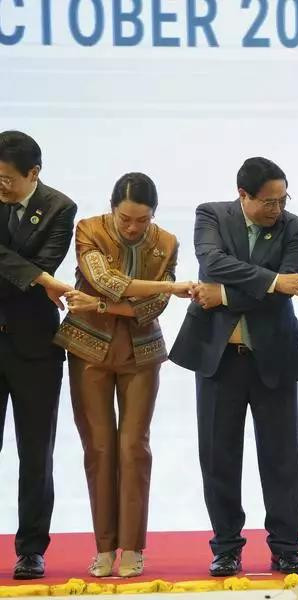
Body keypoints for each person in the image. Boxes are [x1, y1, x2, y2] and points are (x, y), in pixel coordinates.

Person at [170, 157, 298, 577]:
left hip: (274, 356)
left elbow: (287, 289)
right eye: (269, 202)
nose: (278, 209)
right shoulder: (211, 215)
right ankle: (227, 547)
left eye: (283, 199)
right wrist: (270, 280)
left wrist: (228, 297)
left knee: (282, 457)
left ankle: (287, 547)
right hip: (218, 358)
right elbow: (212, 263)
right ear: (243, 196)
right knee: (218, 457)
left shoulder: (296, 227)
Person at [52, 172, 192, 577]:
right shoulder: (88, 229)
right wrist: (169, 286)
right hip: (88, 350)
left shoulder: (166, 243)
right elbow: (104, 280)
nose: (133, 227)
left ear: (154, 215)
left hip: (142, 353)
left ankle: (132, 547)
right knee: (99, 448)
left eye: (142, 220)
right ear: (112, 209)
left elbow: (150, 309)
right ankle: (103, 548)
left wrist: (97, 307)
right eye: (125, 218)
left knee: (134, 448)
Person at [0, 130, 76, 580]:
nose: (1, 184)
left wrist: (39, 278)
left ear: (35, 173)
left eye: (8, 178)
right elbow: (37, 276)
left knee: (35, 453)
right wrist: (38, 279)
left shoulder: (60, 208)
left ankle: (31, 549)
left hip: (35, 349)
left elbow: (48, 264)